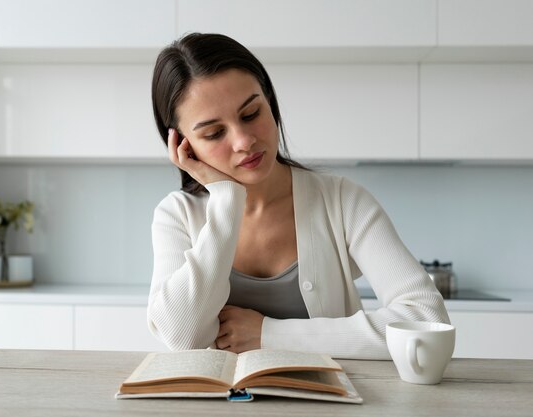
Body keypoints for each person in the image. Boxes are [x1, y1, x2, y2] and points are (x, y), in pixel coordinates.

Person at [148, 33, 449, 359]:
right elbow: (180, 336)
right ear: (182, 145)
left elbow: (425, 317)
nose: (244, 141)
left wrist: (269, 334)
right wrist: (225, 199)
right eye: (214, 133)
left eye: (251, 114)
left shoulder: (342, 201)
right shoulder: (176, 215)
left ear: (270, 102)